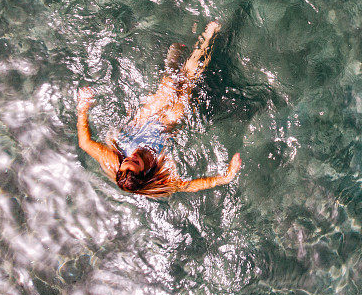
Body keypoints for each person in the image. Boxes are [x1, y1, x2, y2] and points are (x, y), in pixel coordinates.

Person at [76, 21, 242, 198]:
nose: (132, 156)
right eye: (136, 162)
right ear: (145, 172)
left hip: (140, 123)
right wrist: (225, 178)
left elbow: (84, 143)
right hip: (164, 128)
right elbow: (187, 186)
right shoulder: (157, 178)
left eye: (127, 160)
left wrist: (83, 108)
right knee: (186, 85)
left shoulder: (115, 162)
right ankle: (207, 38)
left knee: (169, 86)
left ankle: (176, 52)